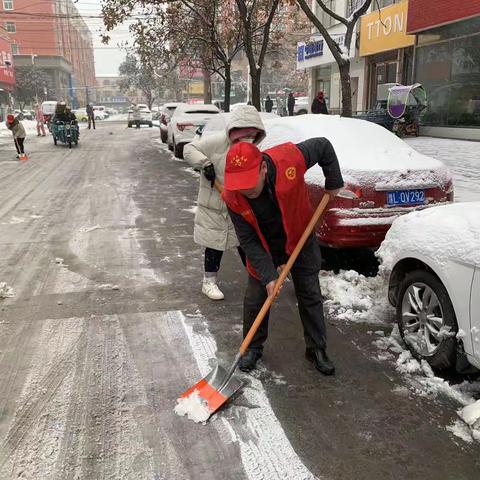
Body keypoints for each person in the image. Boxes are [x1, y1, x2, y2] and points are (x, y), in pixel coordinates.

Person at [222, 138, 344, 374]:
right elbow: (248, 240)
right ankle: (252, 348)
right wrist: (269, 276)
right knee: (256, 298)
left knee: (309, 293)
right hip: (264, 245)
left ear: (263, 168)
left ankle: (316, 348)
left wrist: (334, 181)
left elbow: (324, 146)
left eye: (249, 182)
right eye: (239, 184)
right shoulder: (232, 197)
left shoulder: (290, 158)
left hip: (300, 236)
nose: (245, 190)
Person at [183, 105, 266, 300]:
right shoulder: (216, 143)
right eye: (241, 134)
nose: (246, 139)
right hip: (215, 205)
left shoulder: (253, 150)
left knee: (246, 244)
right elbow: (189, 148)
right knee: (214, 245)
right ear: (232, 131)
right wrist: (204, 163)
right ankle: (208, 282)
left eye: (251, 135)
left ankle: (259, 278)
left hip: (239, 206)